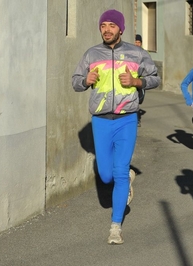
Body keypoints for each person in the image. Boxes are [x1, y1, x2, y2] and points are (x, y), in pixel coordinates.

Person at [72, 9, 160, 245]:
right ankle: (128, 176)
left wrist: (136, 81)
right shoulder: (91, 54)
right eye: (104, 26)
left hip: (127, 119)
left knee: (119, 173)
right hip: (101, 121)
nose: (107, 29)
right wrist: (84, 81)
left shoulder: (136, 53)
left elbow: (155, 78)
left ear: (120, 29)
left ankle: (115, 226)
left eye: (112, 25)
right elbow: (75, 81)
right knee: (106, 174)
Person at [134, 34, 145, 126]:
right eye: (136, 42)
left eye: (139, 42)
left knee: (140, 99)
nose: (137, 44)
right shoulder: (130, 53)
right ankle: (136, 119)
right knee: (135, 100)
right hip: (133, 81)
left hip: (141, 81)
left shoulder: (144, 53)